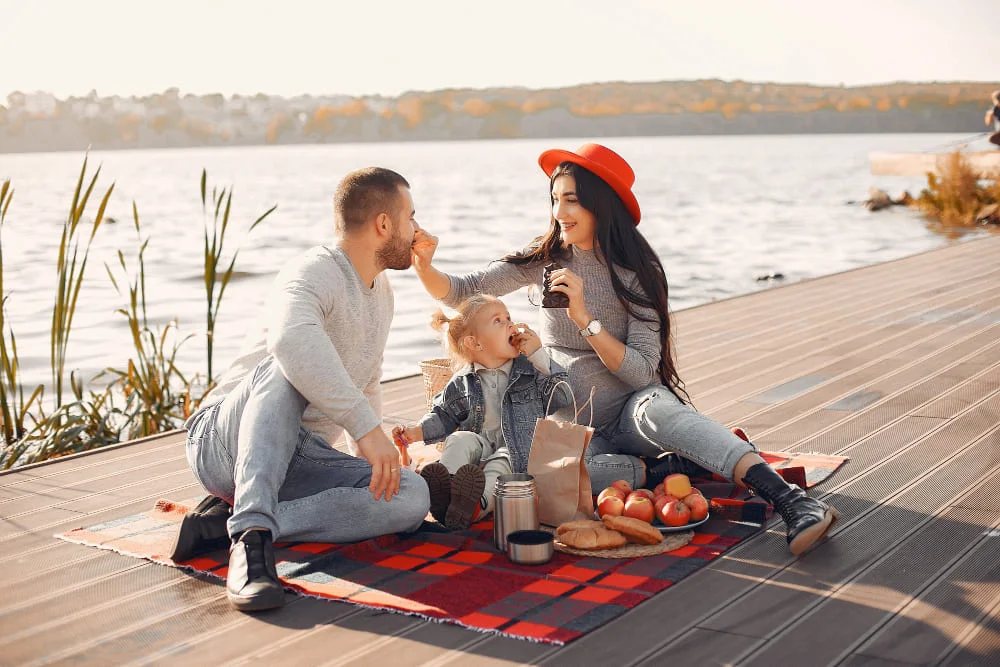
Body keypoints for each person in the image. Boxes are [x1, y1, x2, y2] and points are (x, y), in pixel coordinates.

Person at [411, 143, 839, 557]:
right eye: (555, 200)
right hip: (576, 430)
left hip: (635, 410)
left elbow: (640, 373)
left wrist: (583, 317)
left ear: (603, 204)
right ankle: (672, 469)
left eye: (572, 201)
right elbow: (462, 293)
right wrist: (424, 265)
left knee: (660, 411)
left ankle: (793, 501)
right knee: (542, 474)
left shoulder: (638, 274)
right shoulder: (544, 258)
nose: (560, 213)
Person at [174, 167, 432, 611]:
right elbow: (291, 341)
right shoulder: (312, 271)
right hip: (223, 441)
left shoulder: (382, 293)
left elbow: (367, 376)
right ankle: (252, 543)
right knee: (284, 366)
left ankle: (228, 525)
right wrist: (368, 429)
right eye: (411, 217)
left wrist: (367, 461)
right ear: (384, 224)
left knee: (411, 495)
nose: (419, 230)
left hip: (301, 456)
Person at [393, 296, 572, 529]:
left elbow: (564, 396)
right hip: (476, 457)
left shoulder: (530, 370)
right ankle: (445, 492)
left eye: (509, 317)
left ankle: (474, 506)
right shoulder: (463, 381)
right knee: (459, 439)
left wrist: (539, 356)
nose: (510, 324)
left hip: (518, 453)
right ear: (475, 344)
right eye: (498, 320)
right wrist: (416, 432)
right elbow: (443, 415)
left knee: (501, 464)